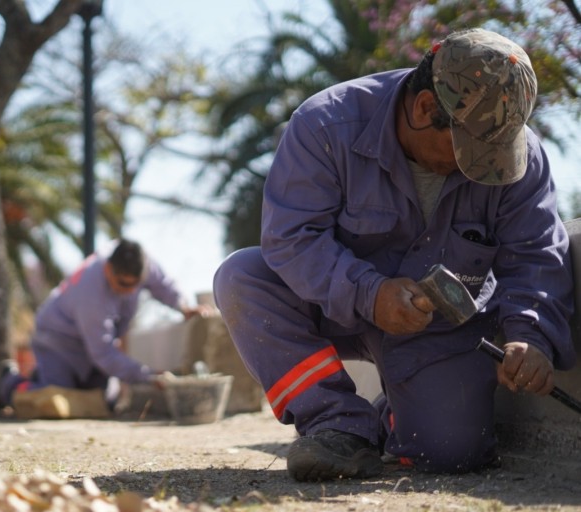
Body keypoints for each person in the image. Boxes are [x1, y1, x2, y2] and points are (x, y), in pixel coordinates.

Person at [212, 28, 575, 482]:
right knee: (242, 277)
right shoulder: (325, 126)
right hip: (333, 308)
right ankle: (335, 424)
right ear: (424, 108)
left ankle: (394, 418)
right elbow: (291, 238)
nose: (480, 166)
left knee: (450, 453)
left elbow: (537, 253)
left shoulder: (520, 160)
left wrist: (530, 335)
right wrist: (370, 293)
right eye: (469, 150)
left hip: (438, 330)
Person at [0, 238, 210, 409]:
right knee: (56, 399)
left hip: (91, 345)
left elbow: (163, 285)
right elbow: (103, 354)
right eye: (123, 284)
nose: (130, 291)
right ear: (108, 269)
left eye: (137, 285)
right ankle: (8, 384)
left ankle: (43, 376)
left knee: (106, 401)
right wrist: (147, 375)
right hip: (58, 340)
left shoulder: (139, 263)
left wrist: (184, 307)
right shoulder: (92, 292)